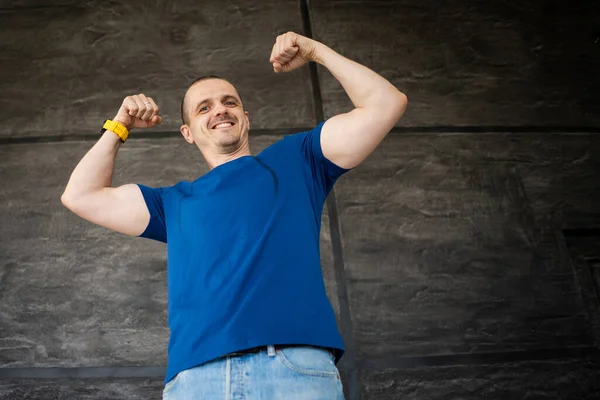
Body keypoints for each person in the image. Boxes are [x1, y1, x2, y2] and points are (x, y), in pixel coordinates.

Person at [61, 31, 407, 400]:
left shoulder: (299, 160)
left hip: (295, 370)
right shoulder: (172, 203)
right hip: (197, 381)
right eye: (204, 108)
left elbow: (386, 103)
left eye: (229, 102)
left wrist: (316, 50)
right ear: (188, 132)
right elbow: (80, 195)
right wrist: (120, 125)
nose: (220, 110)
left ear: (246, 117)